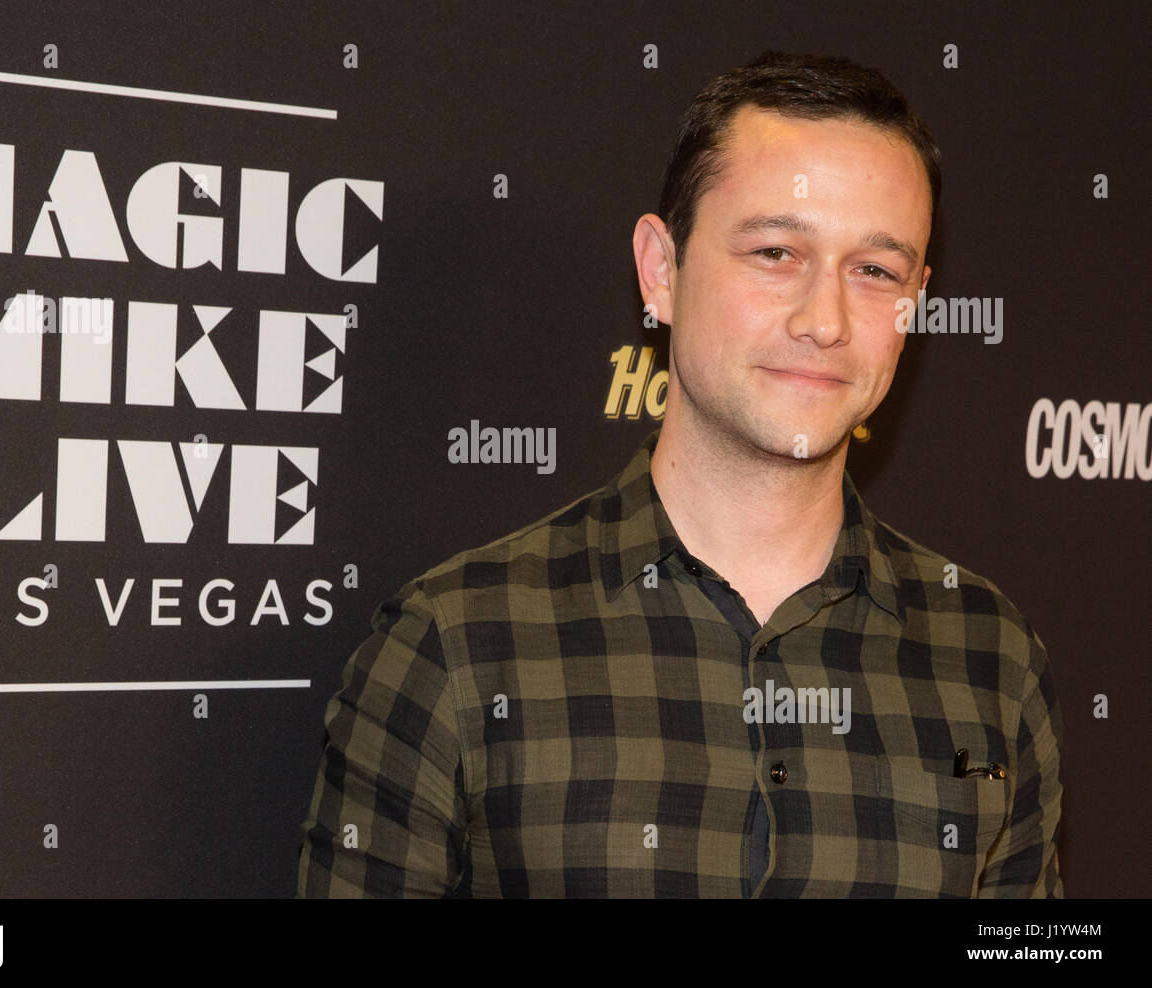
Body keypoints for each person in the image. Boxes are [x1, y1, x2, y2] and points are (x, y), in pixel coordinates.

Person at [295, 51, 1063, 898]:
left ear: (915, 301)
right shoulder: (454, 647)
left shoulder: (991, 658)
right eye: (776, 251)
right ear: (662, 269)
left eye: (874, 271)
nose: (826, 320)